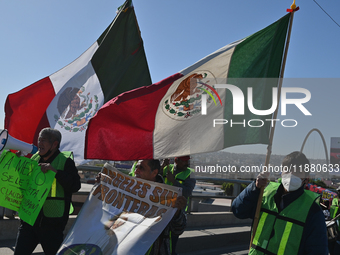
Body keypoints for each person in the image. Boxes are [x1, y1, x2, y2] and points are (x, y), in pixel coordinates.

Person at [232, 151, 328, 255]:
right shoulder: (264, 194)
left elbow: (318, 249)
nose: (291, 174)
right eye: (287, 169)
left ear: (306, 178)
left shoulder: (312, 210)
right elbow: (238, 210)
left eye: (298, 171)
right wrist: (254, 188)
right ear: (281, 172)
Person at [14, 128, 81, 255]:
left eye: (43, 140)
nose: (39, 143)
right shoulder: (34, 159)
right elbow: (23, 182)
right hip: (29, 220)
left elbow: (75, 185)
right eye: (39, 139)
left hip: (52, 223)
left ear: (54, 144)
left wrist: (55, 172)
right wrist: (17, 163)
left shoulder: (65, 161)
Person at [98, 159, 187, 255]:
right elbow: (108, 214)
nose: (136, 170)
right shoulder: (126, 188)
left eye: (142, 168)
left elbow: (178, 230)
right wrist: (102, 187)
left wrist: (177, 211)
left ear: (154, 172)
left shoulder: (168, 197)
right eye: (136, 167)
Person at [161, 156, 196, 255]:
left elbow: (187, 192)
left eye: (188, 160)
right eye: (185, 161)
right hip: (162, 212)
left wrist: (174, 181)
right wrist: (162, 165)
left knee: (171, 244)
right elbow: (156, 180)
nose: (187, 163)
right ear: (176, 161)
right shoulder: (166, 168)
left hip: (176, 215)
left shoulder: (190, 173)